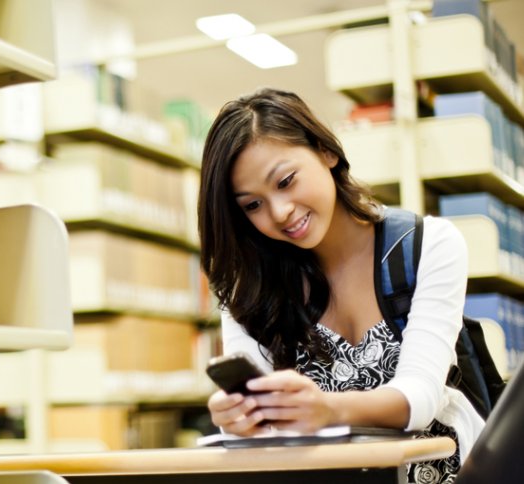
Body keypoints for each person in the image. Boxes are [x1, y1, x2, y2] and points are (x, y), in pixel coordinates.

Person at [198, 88, 484, 483]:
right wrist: (237, 419)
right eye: (252, 205)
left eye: (285, 181)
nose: (279, 212)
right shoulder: (248, 290)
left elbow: (419, 397)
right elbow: (263, 424)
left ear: (326, 151)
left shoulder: (428, 245)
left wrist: (328, 409)